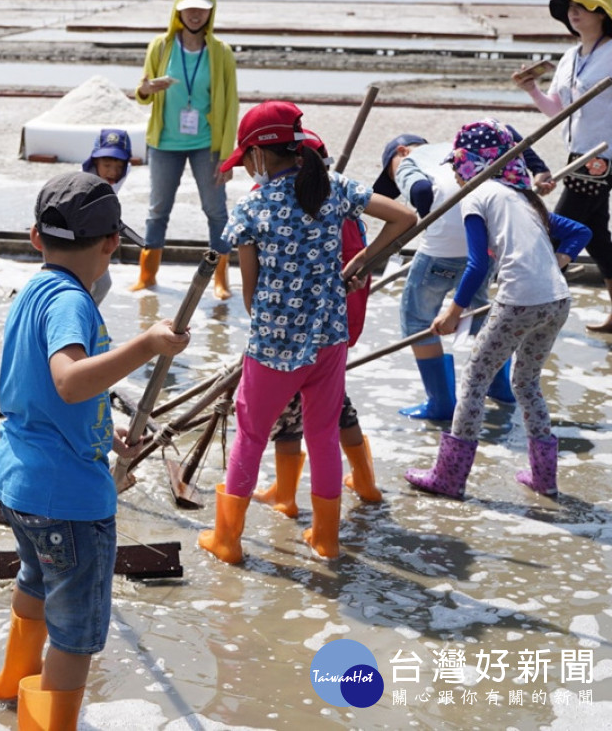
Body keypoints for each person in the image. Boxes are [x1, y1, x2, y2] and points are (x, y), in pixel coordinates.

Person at [0, 171, 189, 729]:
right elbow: (71, 381)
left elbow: (53, 396)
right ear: (110, 243)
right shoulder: (71, 302)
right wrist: (147, 345)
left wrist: (107, 434)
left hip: (19, 481)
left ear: (36, 237)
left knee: (34, 579)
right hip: (68, 501)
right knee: (75, 635)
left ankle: (11, 682)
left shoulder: (33, 288)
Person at [197, 102, 415, 565]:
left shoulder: (253, 206)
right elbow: (404, 217)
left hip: (274, 346)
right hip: (329, 340)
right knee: (321, 435)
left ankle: (227, 540)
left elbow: (252, 295)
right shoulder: (333, 188)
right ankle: (326, 540)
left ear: (257, 155)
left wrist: (273, 316)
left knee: (251, 436)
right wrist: (362, 261)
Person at [405, 120, 590, 499]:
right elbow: (578, 232)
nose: (455, 172)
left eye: (456, 164)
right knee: (526, 382)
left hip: (519, 301)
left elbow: (475, 265)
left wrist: (454, 311)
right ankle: (544, 477)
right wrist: (557, 263)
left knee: (474, 380)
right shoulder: (523, 195)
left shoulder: (478, 195)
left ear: (468, 163)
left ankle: (450, 476)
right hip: (557, 301)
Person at [376, 128, 552, 419]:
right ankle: (500, 389)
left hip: (441, 251)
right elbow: (512, 137)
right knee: (480, 315)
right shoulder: (459, 150)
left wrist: (424, 214)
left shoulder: (410, 161)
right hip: (482, 247)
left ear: (402, 151)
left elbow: (419, 191)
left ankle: (440, 403)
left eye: (392, 175)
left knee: (418, 319)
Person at [252, 131, 382, 516]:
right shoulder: (342, 210)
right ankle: (365, 480)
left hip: (300, 338)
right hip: (333, 336)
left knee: (292, 420)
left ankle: (287, 495)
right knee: (339, 409)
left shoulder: (315, 217)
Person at [514, 0, 612, 332]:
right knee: (596, 234)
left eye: (584, 6)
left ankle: (535, 311)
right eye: (572, 6)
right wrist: (532, 90)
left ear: (603, 12)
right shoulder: (571, 56)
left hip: (603, 156)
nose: (576, 12)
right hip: (577, 154)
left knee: (555, 228)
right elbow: (559, 110)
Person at [131, 0, 238, 299]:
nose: (194, 14)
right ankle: (147, 276)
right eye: (188, 7)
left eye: (202, 8)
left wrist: (227, 154)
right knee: (158, 209)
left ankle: (220, 279)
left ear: (211, 12)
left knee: (216, 210)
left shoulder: (221, 53)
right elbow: (142, 92)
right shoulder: (160, 47)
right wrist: (146, 90)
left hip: (207, 144)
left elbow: (231, 104)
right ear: (178, 9)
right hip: (164, 143)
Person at [81, 127, 132, 305]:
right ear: (94, 162)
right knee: (88, 285)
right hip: (78, 241)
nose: (113, 172)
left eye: (119, 167)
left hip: (98, 238)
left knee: (102, 284)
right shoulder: (85, 185)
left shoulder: (120, 175)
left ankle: (88, 322)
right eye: (107, 166)